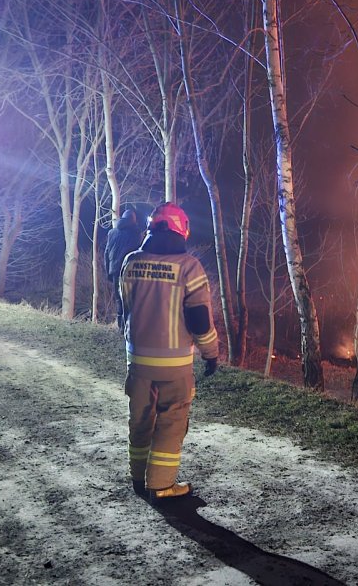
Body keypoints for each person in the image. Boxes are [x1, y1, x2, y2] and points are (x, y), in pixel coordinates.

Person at [119, 202, 219, 499]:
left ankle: (139, 478)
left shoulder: (131, 262)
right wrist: (210, 353)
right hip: (174, 365)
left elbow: (125, 307)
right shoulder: (189, 267)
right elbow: (200, 319)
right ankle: (161, 486)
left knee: (140, 420)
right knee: (171, 422)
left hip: (138, 361)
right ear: (182, 230)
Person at [105, 209, 144, 323]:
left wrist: (108, 272)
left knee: (118, 298)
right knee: (131, 299)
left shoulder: (112, 232)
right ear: (133, 220)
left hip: (115, 270)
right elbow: (140, 253)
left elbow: (106, 253)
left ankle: (120, 324)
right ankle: (129, 324)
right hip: (131, 270)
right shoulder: (136, 233)